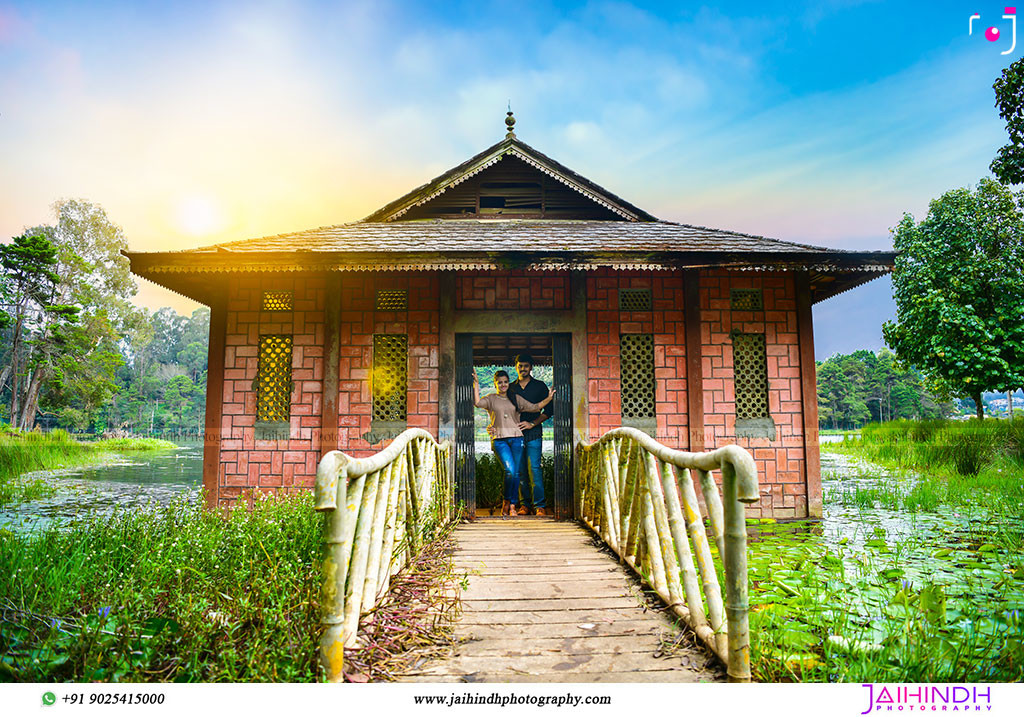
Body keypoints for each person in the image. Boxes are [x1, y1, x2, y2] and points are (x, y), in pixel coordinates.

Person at [473, 370, 554, 518]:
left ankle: (512, 505)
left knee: (517, 472)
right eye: (499, 382)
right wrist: (476, 384)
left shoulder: (515, 398)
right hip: (499, 440)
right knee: (510, 471)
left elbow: (535, 407)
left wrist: (549, 398)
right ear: (495, 383)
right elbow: (477, 403)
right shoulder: (491, 399)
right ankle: (507, 501)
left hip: (517, 439)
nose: (503, 385)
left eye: (505, 382)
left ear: (508, 383)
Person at [507, 354, 553, 516]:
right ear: (516, 367)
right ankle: (525, 505)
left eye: (526, 366)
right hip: (515, 435)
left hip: (534, 433)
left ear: (531, 367)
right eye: (520, 365)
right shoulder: (510, 387)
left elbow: (549, 410)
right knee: (519, 472)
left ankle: (540, 506)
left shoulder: (540, 386)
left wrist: (532, 423)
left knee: (534, 469)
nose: (523, 369)